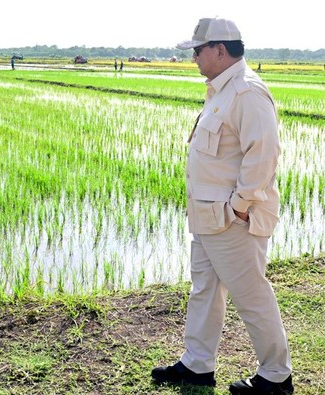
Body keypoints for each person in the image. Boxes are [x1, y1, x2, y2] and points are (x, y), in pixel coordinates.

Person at [151, 17, 293, 395]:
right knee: (204, 291)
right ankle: (198, 366)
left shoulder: (247, 92)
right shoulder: (221, 91)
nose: (194, 58)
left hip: (232, 221)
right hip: (207, 217)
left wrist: (240, 208)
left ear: (219, 49)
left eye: (198, 51)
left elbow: (263, 155)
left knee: (252, 297)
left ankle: (276, 376)